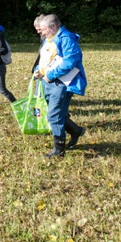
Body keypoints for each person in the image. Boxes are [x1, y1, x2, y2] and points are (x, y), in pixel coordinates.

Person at [33, 14, 87, 157]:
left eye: (43, 30)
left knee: (53, 115)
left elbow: (70, 61)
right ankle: (76, 131)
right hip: (47, 82)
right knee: (56, 113)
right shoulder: (49, 39)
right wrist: (38, 71)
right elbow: (43, 59)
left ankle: (59, 150)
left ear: (53, 27)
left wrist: (50, 75)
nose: (41, 33)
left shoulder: (66, 39)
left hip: (61, 83)